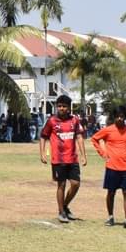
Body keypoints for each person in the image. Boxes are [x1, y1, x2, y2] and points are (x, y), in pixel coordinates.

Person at [91, 105, 126, 229]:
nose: (120, 119)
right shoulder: (108, 130)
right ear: (114, 117)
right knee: (111, 192)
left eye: (122, 116)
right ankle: (110, 217)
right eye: (117, 116)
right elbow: (94, 139)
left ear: (125, 118)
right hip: (112, 167)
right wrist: (103, 153)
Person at [38, 94, 87, 223]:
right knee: (62, 185)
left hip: (72, 158)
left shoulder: (75, 121)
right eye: (59, 106)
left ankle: (65, 206)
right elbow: (43, 136)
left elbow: (79, 137)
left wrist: (83, 155)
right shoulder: (52, 121)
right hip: (58, 159)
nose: (61, 108)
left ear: (69, 108)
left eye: (64, 106)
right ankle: (61, 212)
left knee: (76, 184)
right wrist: (42, 153)